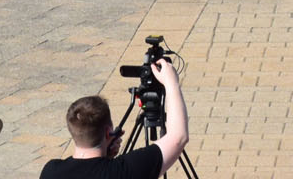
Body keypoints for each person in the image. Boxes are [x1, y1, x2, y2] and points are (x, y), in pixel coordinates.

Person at [40, 57, 187, 177]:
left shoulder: (50, 171)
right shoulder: (123, 171)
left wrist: (105, 155)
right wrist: (171, 82)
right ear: (108, 132)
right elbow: (178, 137)